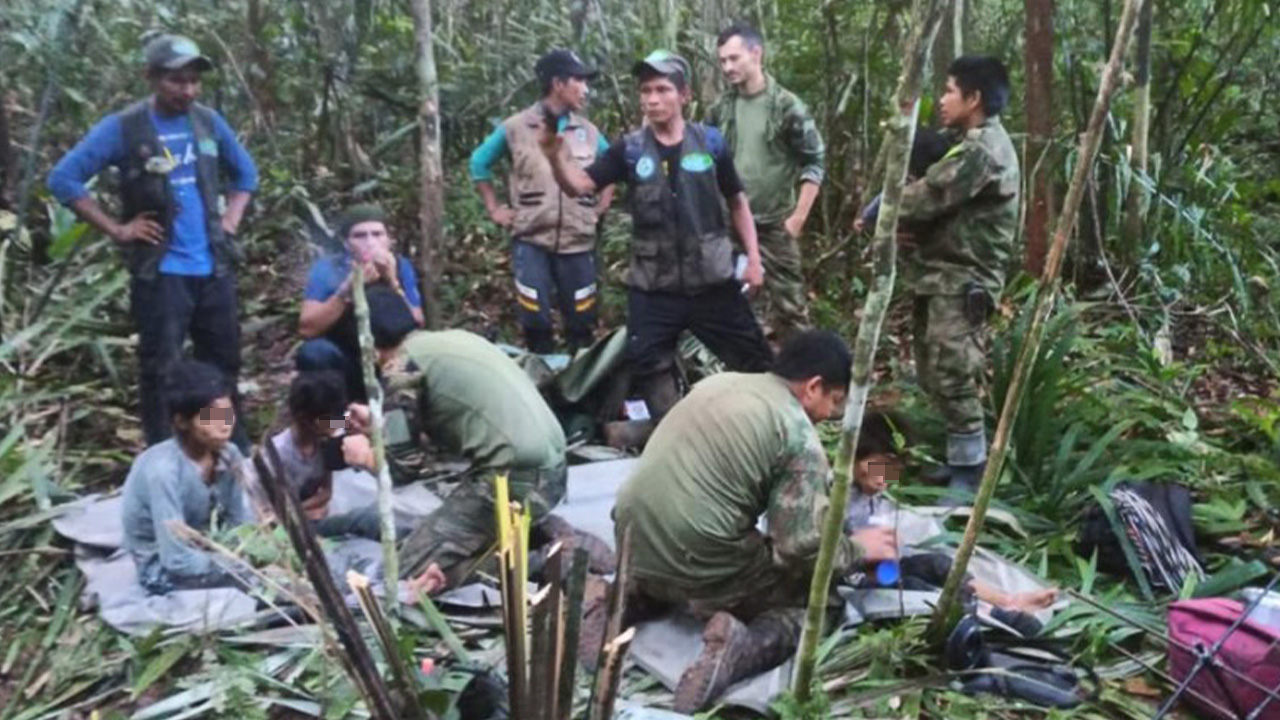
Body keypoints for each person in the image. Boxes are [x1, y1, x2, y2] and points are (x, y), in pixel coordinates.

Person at [612, 331, 898, 712]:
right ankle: (741, 648)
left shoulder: (719, 383)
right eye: (834, 401)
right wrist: (860, 548)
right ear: (813, 386)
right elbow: (798, 548)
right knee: (821, 605)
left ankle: (630, 596)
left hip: (630, 538)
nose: (830, 415)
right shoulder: (798, 435)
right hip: (698, 556)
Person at [48, 34, 259, 451]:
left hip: (213, 267)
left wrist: (230, 220)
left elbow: (246, 176)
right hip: (162, 274)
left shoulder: (207, 122)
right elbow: (63, 179)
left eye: (194, 81)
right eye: (177, 81)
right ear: (151, 77)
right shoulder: (124, 128)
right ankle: (168, 453)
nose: (188, 90)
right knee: (162, 368)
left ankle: (228, 446)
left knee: (221, 364)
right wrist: (118, 229)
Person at [540, 50, 773, 421]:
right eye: (645, 90)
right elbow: (579, 185)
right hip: (654, 286)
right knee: (647, 361)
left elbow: (737, 202)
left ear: (685, 96)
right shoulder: (629, 150)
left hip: (712, 280)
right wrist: (554, 155)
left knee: (756, 361)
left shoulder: (711, 143)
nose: (652, 99)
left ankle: (767, 430)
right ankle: (677, 433)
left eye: (662, 89)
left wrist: (754, 260)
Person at [342, 288, 569, 594]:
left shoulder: (400, 369)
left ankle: (540, 562)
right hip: (553, 470)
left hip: (515, 480)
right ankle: (530, 537)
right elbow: (453, 423)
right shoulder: (452, 340)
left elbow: (403, 469)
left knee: (403, 575)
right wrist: (381, 425)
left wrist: (365, 456)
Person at [897, 56, 1020, 500]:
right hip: (940, 274)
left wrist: (882, 210)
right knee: (933, 371)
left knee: (954, 371)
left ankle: (971, 473)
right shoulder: (964, 141)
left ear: (974, 99)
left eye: (950, 91)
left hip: (963, 279)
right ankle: (957, 461)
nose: (942, 100)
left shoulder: (982, 151)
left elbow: (926, 197)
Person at [469, 49, 615, 353]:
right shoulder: (515, 127)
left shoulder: (588, 132)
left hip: (578, 242)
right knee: (535, 318)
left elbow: (611, 167)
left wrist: (600, 207)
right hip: (531, 240)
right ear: (558, 83)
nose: (586, 89)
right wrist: (495, 209)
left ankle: (580, 384)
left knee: (582, 319)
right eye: (579, 81)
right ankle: (540, 381)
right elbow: (479, 163)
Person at [844, 411, 1058, 614]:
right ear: (856, 456)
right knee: (912, 587)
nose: (883, 480)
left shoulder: (871, 498)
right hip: (847, 577)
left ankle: (1006, 602)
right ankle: (985, 614)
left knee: (938, 565)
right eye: (879, 467)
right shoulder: (834, 496)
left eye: (892, 471)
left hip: (874, 568)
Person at [710, 24, 825, 342]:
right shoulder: (720, 109)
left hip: (775, 225)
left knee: (791, 309)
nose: (728, 68)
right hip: (730, 227)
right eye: (722, 61)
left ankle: (803, 381)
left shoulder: (788, 106)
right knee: (735, 308)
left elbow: (814, 160)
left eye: (734, 58)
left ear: (756, 53)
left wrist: (797, 219)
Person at [121, 360, 252, 594]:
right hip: (163, 568)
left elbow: (240, 522)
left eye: (228, 415)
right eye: (211, 419)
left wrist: (246, 551)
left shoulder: (229, 454)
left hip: (214, 551)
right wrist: (235, 565)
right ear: (181, 421)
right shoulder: (164, 472)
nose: (224, 427)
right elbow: (175, 559)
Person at [297, 204, 425, 401]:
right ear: (347, 243)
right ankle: (334, 422)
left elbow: (417, 321)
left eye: (377, 234)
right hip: (347, 357)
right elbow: (307, 329)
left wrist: (393, 282)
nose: (370, 242)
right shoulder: (328, 268)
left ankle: (402, 414)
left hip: (391, 358)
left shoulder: (400, 265)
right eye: (360, 236)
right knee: (314, 353)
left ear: (388, 240)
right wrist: (347, 290)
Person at [245, 371, 389, 540]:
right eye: (330, 420)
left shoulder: (328, 430)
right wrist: (303, 513)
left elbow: (326, 494)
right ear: (304, 419)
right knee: (362, 521)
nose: (336, 426)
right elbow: (267, 516)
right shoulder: (277, 457)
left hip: (313, 513)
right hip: (293, 530)